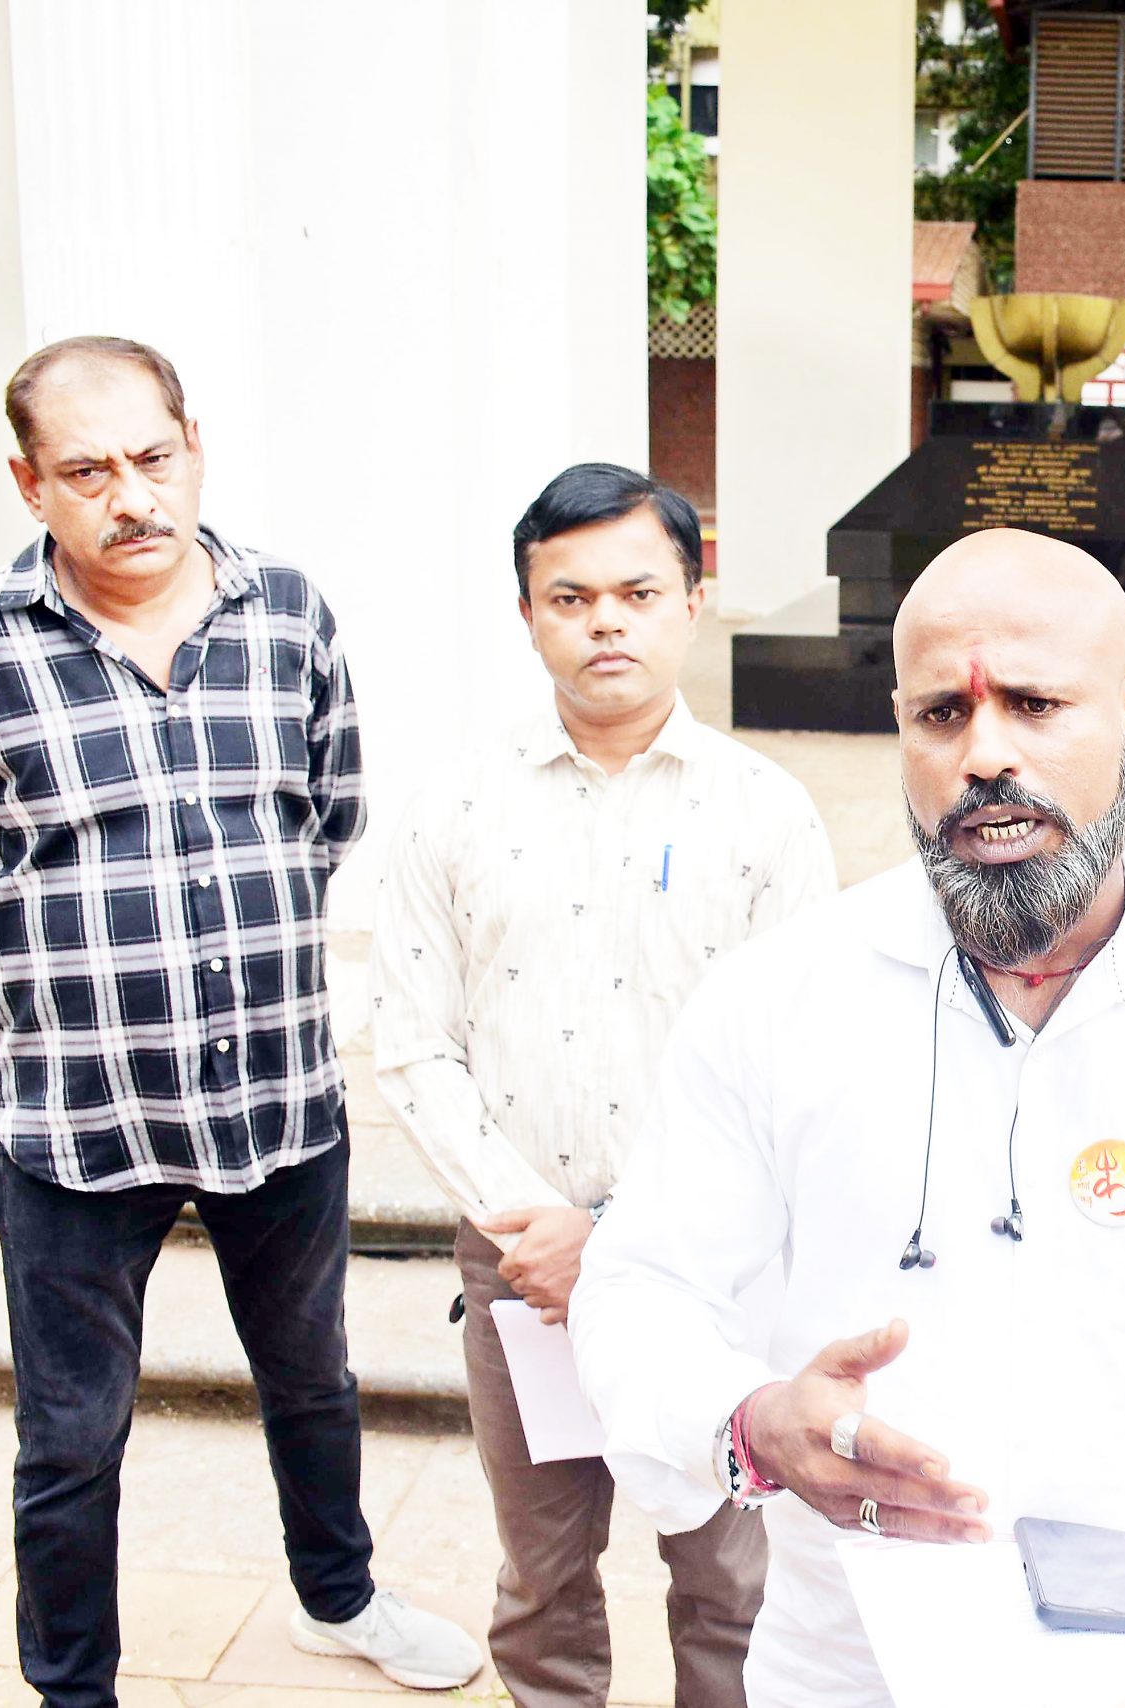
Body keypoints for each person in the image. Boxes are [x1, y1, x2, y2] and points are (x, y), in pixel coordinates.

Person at [565, 528, 1125, 1705]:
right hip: (850, 1671)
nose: (984, 754)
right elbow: (641, 1289)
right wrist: (750, 1421)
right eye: (942, 714)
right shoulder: (778, 998)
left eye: (1033, 704)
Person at [0, 337, 478, 1705]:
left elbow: (327, 813)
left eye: (152, 456)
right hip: (77, 1124)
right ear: (29, 484)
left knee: (311, 1378)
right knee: (69, 1439)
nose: (131, 495)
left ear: (193, 447)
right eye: (87, 470)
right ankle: (73, 1688)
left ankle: (338, 1597)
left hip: (275, 1099)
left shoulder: (288, 614)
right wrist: (58, 963)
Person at [371, 462, 836, 1707]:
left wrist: (626, 1239)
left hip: (712, 1269)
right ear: (527, 614)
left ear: (693, 599)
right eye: (570, 598)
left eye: (638, 592)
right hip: (520, 1262)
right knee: (543, 1572)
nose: (606, 623)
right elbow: (411, 1039)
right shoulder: (454, 806)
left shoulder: (765, 812)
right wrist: (534, 1224)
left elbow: (797, 1062)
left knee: (730, 1577)